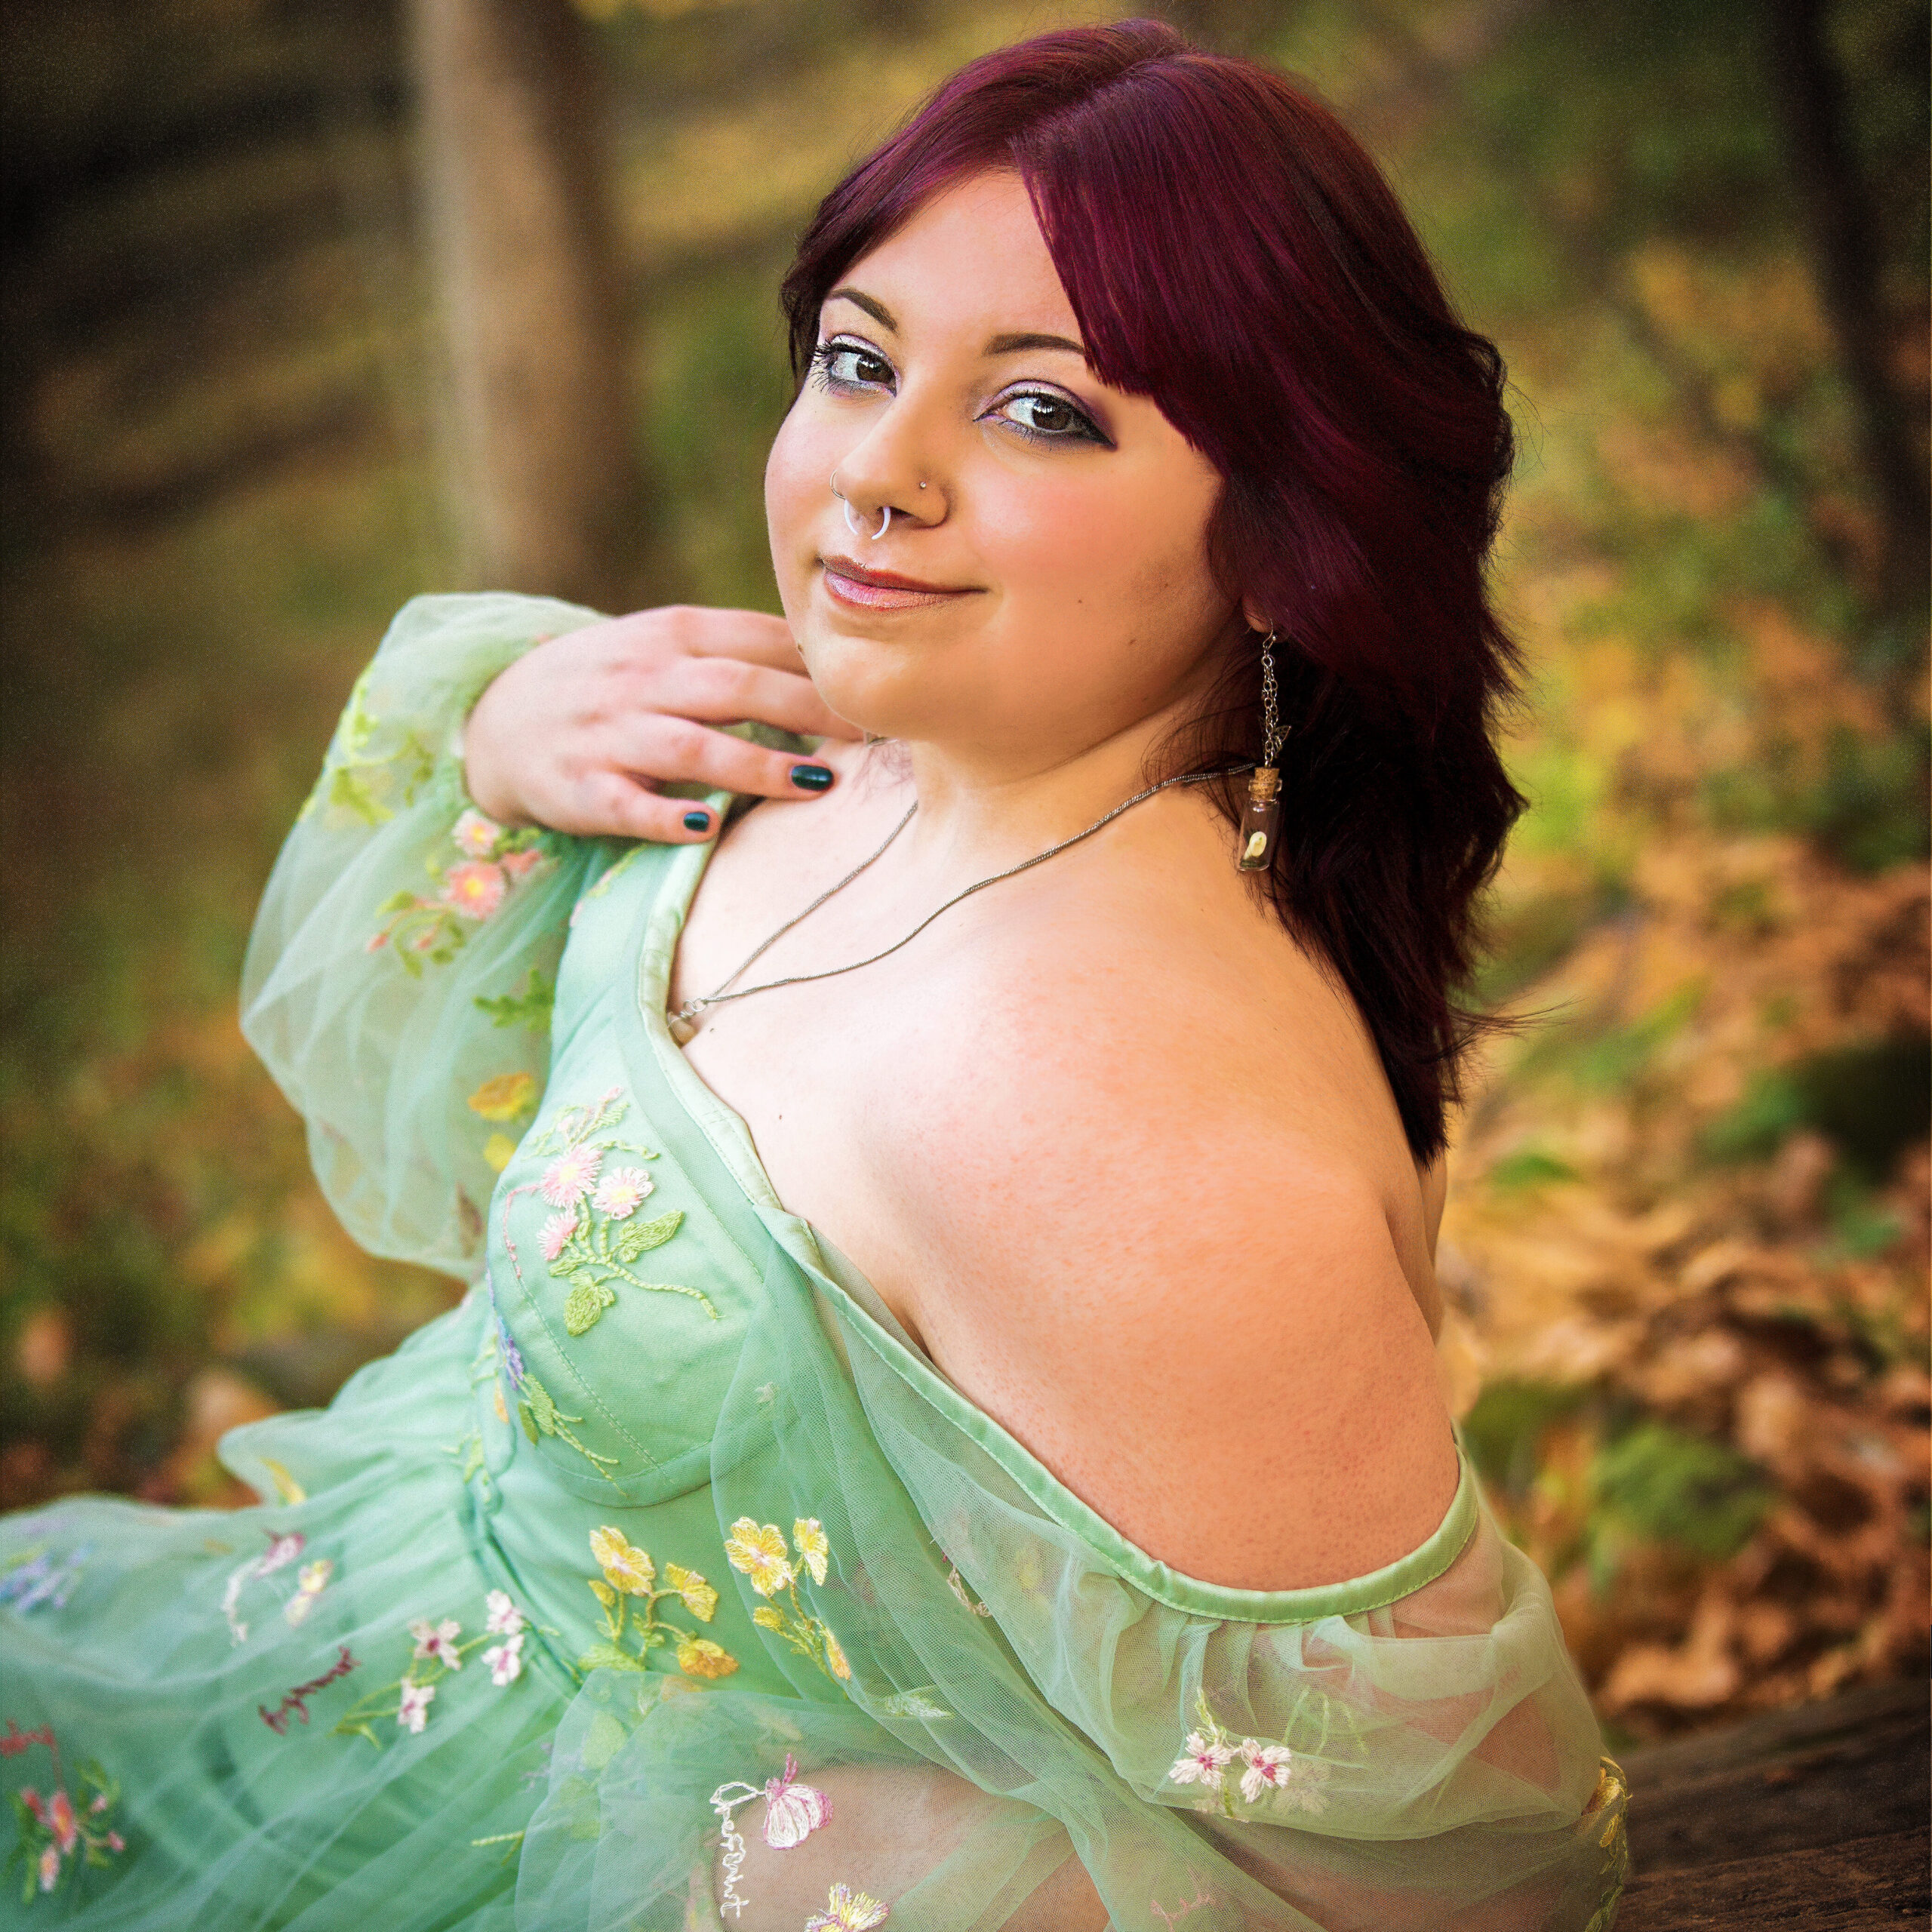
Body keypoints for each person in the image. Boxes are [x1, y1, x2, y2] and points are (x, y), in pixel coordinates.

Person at [0, 21, 1628, 1930]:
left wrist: (827, 1877)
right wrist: (509, 741)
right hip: (351, 1668)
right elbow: (499, 1122)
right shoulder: (855, 751)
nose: (877, 473)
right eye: (857, 362)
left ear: (1285, 535)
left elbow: (1460, 1865)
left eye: (1041, 412)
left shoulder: (1118, 1117)